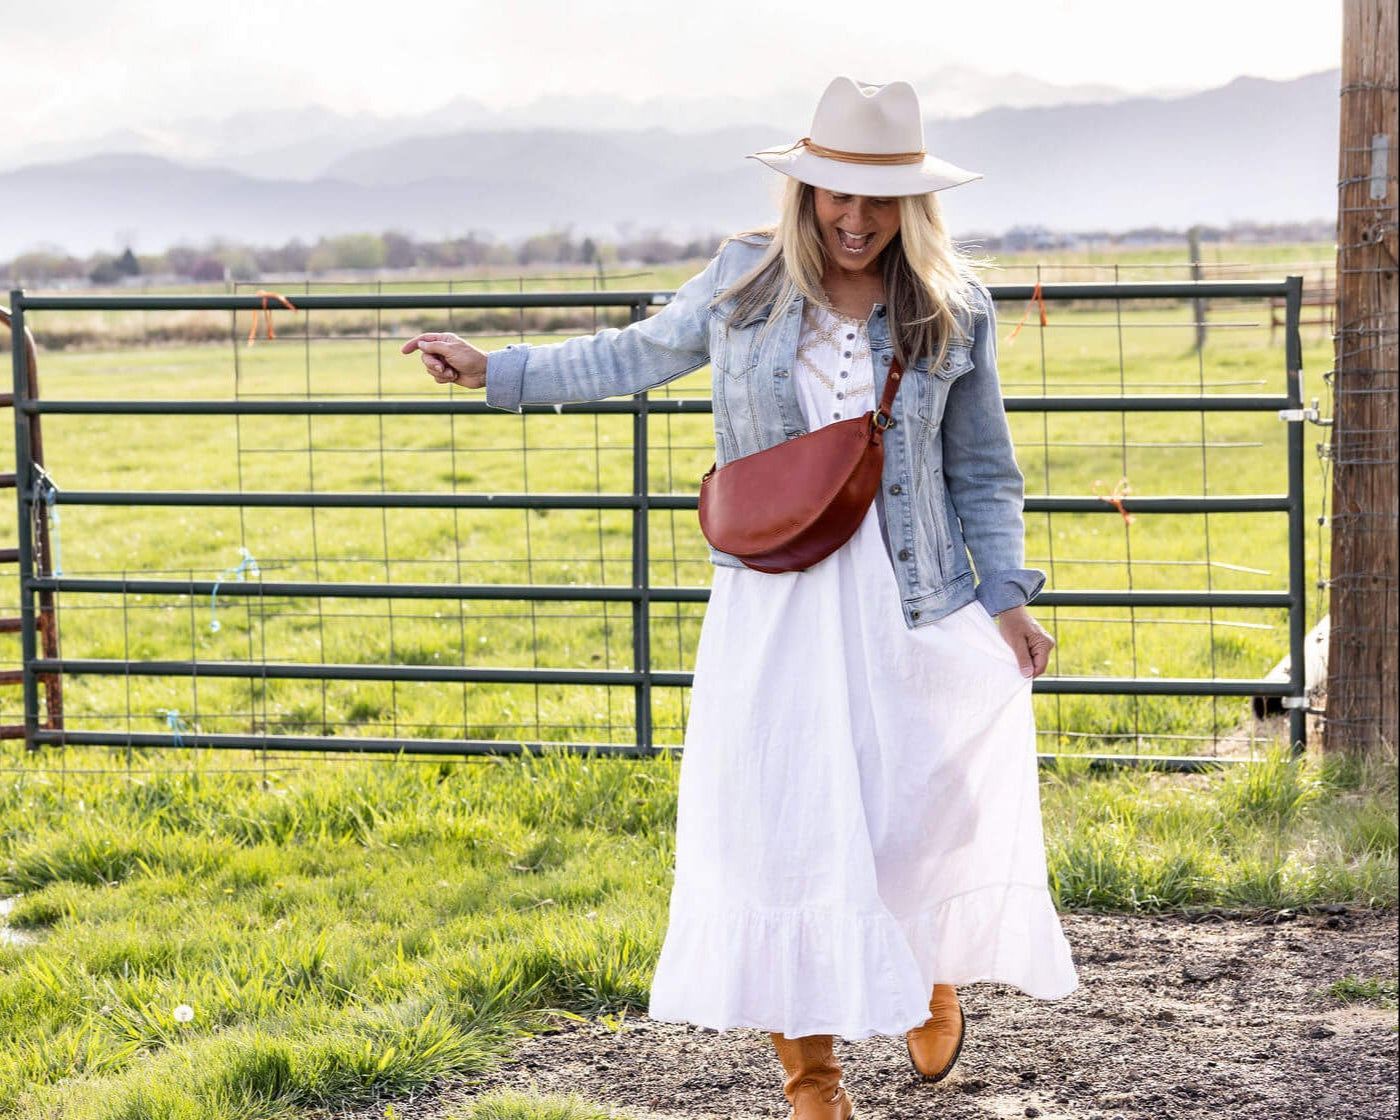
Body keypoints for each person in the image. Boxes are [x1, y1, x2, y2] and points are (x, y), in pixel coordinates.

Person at [404, 76, 1077, 1120]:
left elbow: (981, 473)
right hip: (776, 600)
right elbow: (626, 356)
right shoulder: (741, 284)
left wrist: (1007, 599)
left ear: (911, 204)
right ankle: (810, 1075)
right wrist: (494, 368)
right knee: (782, 823)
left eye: (875, 200)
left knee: (911, 802)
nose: (852, 221)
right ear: (802, 193)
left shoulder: (951, 308)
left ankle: (922, 970)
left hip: (910, 599)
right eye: (833, 196)